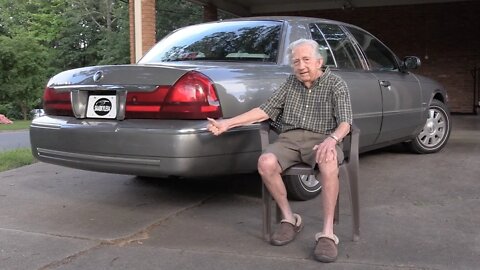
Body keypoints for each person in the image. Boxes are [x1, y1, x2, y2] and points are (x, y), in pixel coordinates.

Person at [207, 39, 353, 263]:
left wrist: (332, 140)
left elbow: (345, 122)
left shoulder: (336, 84)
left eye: (306, 60)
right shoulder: (290, 83)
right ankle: (289, 218)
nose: (301, 66)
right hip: (290, 139)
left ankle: (327, 233)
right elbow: (263, 111)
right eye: (296, 61)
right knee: (265, 162)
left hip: (323, 139)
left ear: (319, 61)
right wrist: (227, 123)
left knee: (329, 160)